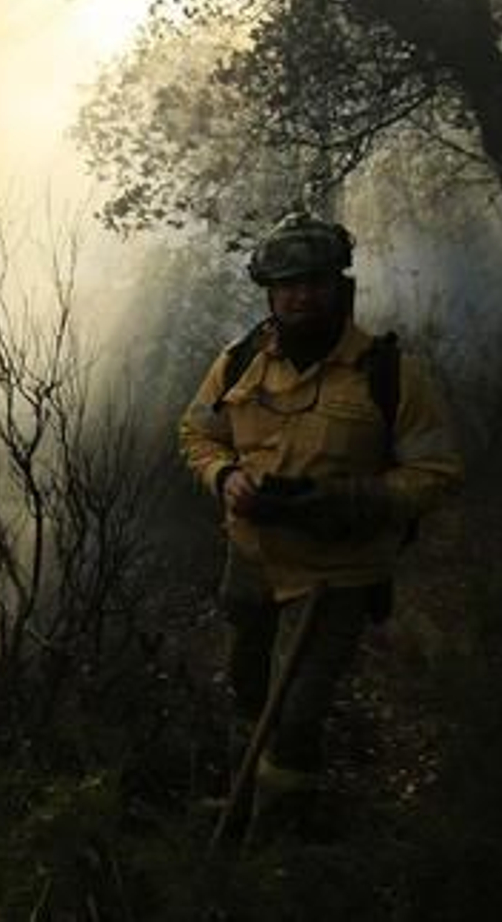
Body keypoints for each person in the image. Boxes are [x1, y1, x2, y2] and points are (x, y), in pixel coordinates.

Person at [178, 213, 463, 843]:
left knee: (297, 713)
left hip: (336, 575)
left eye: (313, 281)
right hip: (250, 560)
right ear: (269, 292)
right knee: (249, 691)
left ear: (340, 287)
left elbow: (438, 470)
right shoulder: (240, 362)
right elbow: (197, 432)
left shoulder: (387, 375)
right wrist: (225, 476)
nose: (300, 294)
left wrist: (351, 500)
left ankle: (275, 844)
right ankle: (241, 802)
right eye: (286, 284)